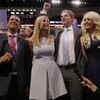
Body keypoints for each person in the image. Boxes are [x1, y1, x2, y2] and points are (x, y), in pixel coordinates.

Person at [28, 15, 67, 100]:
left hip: (53, 69)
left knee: (54, 95)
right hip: (38, 70)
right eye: (44, 21)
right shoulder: (31, 40)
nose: (46, 23)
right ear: (38, 23)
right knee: (39, 95)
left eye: (47, 21)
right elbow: (31, 57)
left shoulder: (53, 38)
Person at [54, 10, 85, 100]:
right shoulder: (57, 31)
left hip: (74, 71)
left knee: (76, 97)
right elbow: (41, 24)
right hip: (59, 70)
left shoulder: (79, 32)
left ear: (72, 18)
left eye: (66, 16)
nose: (63, 17)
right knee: (60, 98)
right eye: (62, 16)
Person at [0, 15, 32, 100]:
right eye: (12, 19)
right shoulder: (0, 39)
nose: (14, 21)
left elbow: (28, 65)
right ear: (7, 24)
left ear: (19, 26)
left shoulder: (25, 43)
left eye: (17, 21)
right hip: (3, 81)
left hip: (21, 81)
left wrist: (28, 84)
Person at [80, 11, 100, 100]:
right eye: (85, 20)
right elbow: (85, 56)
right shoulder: (83, 37)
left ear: (95, 21)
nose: (86, 21)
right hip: (91, 67)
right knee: (91, 89)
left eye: (89, 19)